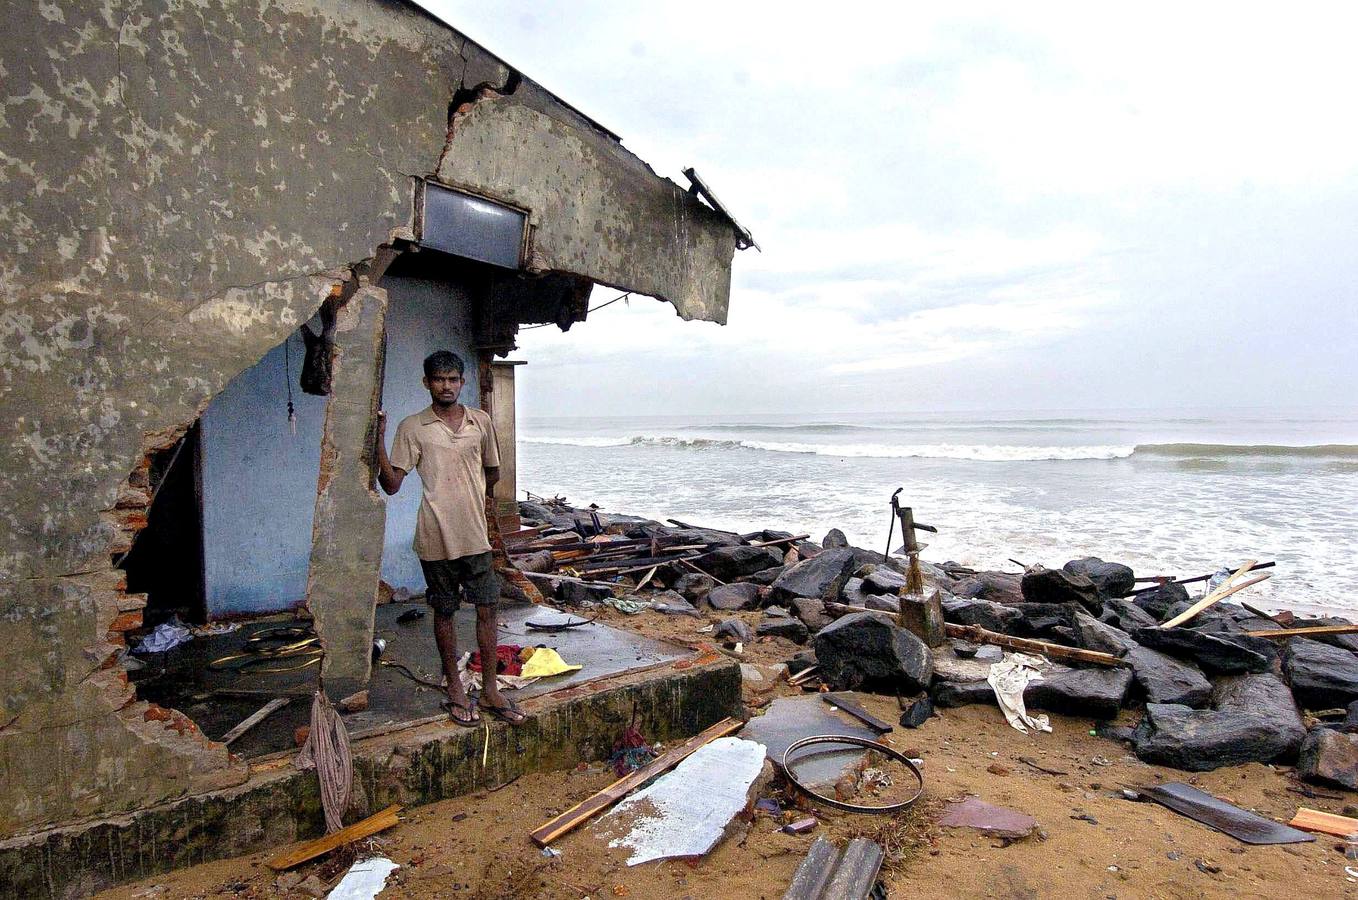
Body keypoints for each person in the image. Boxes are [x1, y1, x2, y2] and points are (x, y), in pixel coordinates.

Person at [376, 350, 526, 726]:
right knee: (444, 611)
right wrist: (377, 439)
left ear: (462, 382)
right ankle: (456, 689)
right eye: (439, 379)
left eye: (453, 379)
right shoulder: (413, 427)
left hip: (475, 536)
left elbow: (492, 474)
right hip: (435, 537)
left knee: (488, 609)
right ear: (426, 383)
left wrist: (469, 501)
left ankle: (491, 690)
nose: (446, 386)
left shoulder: (481, 422)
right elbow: (391, 485)